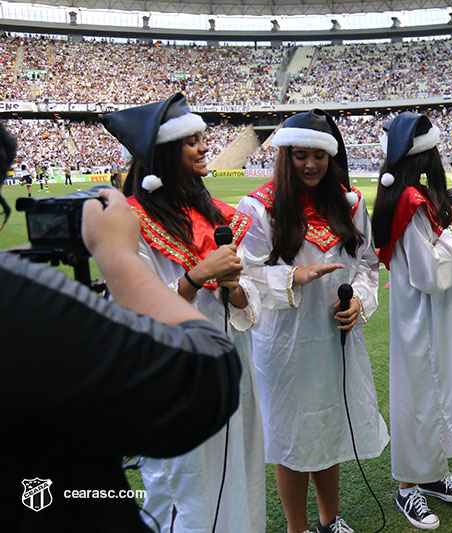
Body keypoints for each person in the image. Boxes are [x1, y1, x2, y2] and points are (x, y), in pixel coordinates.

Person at [1, 124, 245, 532]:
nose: (203, 147)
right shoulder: (21, 299)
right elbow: (203, 376)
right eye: (190, 140)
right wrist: (118, 256)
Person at [101, 93, 266, 533]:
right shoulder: (130, 221)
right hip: (172, 373)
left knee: (238, 468)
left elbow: (247, 295)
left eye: (202, 137)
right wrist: (196, 277)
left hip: (231, 362)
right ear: (165, 153)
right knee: (184, 484)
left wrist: (234, 290)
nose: (204, 146)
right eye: (191, 141)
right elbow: (133, 308)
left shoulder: (213, 214)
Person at [237, 109, 389, 533]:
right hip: (284, 343)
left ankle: (329, 519)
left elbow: (367, 264)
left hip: (334, 338)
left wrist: (358, 299)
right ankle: (296, 528)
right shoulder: (258, 208)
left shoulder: (351, 203)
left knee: (329, 426)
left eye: (318, 156)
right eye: (300, 155)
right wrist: (292, 276)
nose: (310, 165)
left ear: (330, 157)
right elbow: (244, 278)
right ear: (285, 155)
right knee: (291, 436)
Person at [372, 112, 452, 530]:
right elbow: (427, 273)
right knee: (418, 396)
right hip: (420, 316)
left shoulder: (415, 198)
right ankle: (408, 486)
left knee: (436, 395)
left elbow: (435, 257)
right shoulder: (409, 201)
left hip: (434, 314)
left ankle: (433, 473)